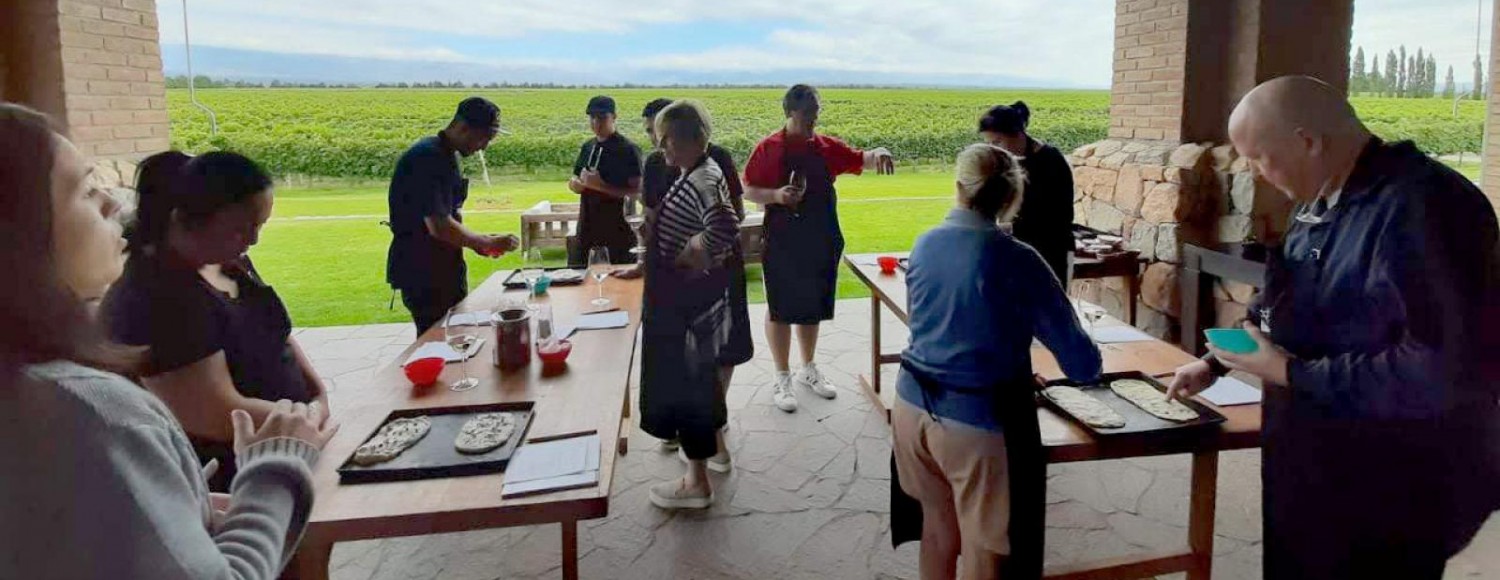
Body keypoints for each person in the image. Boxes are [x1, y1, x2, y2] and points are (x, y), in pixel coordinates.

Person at [1167, 76, 1500, 578]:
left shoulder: (1428, 207)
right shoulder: (1321, 196)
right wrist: (1218, 358)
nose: (1257, 175)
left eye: (1260, 158)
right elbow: (1285, 296)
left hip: (1388, 482)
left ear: (1307, 141)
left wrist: (1289, 373)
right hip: (1309, 462)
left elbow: (1441, 370)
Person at [0, 102, 338, 579]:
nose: (111, 206)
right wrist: (275, 469)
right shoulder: (89, 410)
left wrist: (189, 505)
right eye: (84, 189)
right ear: (19, 235)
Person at [893, 143, 1101, 580]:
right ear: (1013, 198)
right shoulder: (1018, 259)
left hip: (911, 406)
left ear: (958, 188)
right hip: (975, 420)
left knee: (936, 528)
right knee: (984, 549)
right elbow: (1082, 364)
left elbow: (925, 322)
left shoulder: (925, 243)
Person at [99, 151, 327, 492]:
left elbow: (277, 334)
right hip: (233, 476)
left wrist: (317, 395)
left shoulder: (229, 261)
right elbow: (216, 413)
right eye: (240, 229)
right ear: (183, 220)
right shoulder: (155, 296)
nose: (253, 240)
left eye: (259, 225)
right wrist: (305, 421)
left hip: (291, 442)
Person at [743, 84, 895, 413]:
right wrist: (777, 197)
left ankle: (807, 368)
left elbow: (861, 159)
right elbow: (749, 189)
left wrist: (878, 152)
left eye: (816, 112)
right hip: (782, 237)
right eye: (807, 113)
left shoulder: (825, 147)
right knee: (781, 306)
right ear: (790, 112)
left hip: (821, 235)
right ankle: (782, 375)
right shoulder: (768, 148)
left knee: (811, 303)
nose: (813, 119)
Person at [625, 98, 754, 463]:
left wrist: (693, 256)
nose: (658, 145)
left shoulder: (707, 171)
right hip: (677, 290)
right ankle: (697, 438)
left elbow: (727, 223)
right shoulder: (682, 169)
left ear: (685, 138)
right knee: (692, 376)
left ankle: (705, 447)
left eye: (663, 137)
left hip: (692, 293)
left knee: (699, 373)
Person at [386, 96, 517, 333]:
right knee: (439, 339)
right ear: (462, 127)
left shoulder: (445, 155)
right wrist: (485, 241)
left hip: (443, 268)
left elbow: (450, 214)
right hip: (425, 272)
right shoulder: (428, 158)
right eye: (483, 138)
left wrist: (475, 243)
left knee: (455, 336)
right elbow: (439, 225)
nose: (484, 146)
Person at [980, 101, 1076, 284]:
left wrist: (1012, 227)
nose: (993, 148)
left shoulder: (1051, 162)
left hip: (1050, 253)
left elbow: (1059, 217)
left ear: (1017, 133)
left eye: (997, 142)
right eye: (989, 143)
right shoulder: (1004, 161)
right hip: (1015, 250)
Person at [567, 95, 642, 266]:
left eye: (602, 118)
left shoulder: (628, 150)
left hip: (618, 231)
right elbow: (575, 177)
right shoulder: (588, 146)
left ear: (614, 117)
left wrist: (601, 186)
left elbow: (637, 192)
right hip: (587, 228)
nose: (596, 122)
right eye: (592, 118)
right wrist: (575, 184)